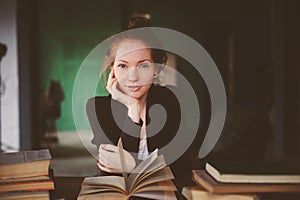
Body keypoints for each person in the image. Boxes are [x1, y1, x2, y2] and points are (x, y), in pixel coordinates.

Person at [86, 16, 203, 191]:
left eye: (143, 66)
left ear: (155, 69)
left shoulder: (171, 99)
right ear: (113, 71)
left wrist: (132, 165)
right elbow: (111, 174)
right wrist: (133, 110)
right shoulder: (97, 107)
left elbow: (180, 166)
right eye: (123, 66)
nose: (133, 77)